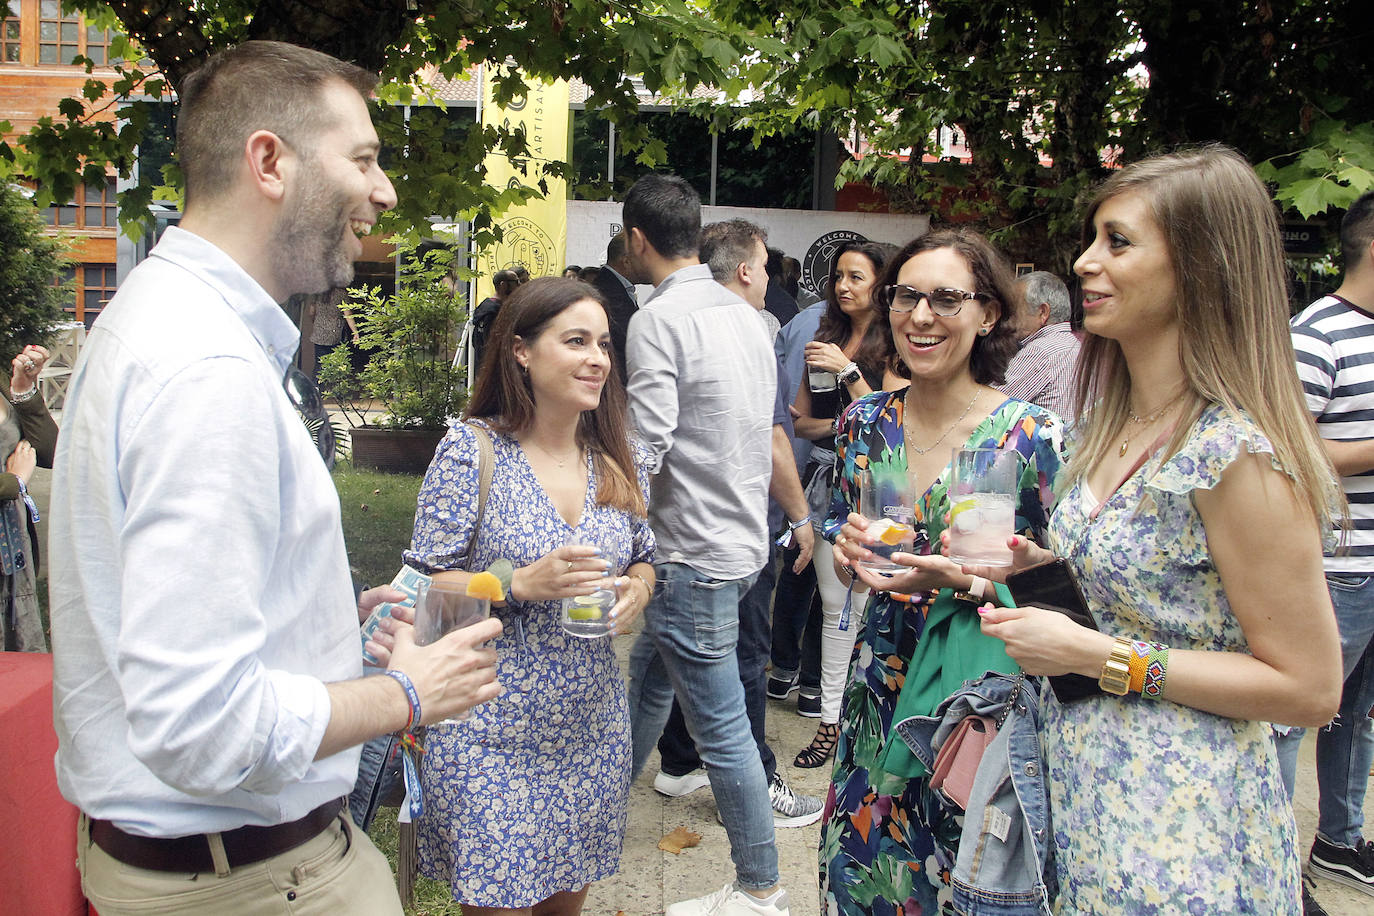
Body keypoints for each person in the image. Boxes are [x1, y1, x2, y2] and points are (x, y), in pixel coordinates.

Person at [48, 41, 502, 915]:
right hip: (254, 883)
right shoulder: (206, 366)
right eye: (363, 158)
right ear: (269, 161)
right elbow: (201, 722)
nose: (385, 191)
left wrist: (322, 620)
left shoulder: (161, 317)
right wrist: (407, 694)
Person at [971, 146, 1343, 914]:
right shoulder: (1114, 421)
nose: (1084, 263)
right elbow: (1155, 595)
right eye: (1092, 240)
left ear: (1199, 267)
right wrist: (1043, 570)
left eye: (1118, 242)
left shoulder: (1232, 452)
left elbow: (1309, 688)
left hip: (1182, 836)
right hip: (1085, 802)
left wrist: (1103, 656)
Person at [824, 228, 1067, 914]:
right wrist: (848, 559)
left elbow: (1068, 591)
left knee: (962, 884)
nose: (921, 316)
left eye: (947, 298)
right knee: (862, 880)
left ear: (988, 313)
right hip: (878, 694)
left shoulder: (1033, 438)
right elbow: (862, 562)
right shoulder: (865, 426)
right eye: (906, 296)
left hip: (976, 707)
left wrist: (962, 581)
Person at [405, 277, 656, 915]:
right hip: (488, 728)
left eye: (603, 344)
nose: (598, 358)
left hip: (589, 729)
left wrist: (638, 590)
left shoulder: (615, 456)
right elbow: (424, 584)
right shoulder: (473, 450)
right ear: (521, 351)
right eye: (576, 341)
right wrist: (516, 583)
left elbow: (646, 556)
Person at [621, 174, 792, 916]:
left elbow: (647, 438)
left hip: (689, 554)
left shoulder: (657, 319)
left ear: (636, 240)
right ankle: (596, 811)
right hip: (735, 544)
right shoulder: (751, 317)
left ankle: (760, 889)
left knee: (723, 732)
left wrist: (609, 518)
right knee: (645, 681)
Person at [650, 218, 822, 829]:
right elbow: (777, 435)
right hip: (732, 538)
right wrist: (800, 516)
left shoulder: (680, 321)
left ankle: (675, 760)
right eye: (767, 266)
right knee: (743, 662)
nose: (770, 277)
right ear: (747, 270)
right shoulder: (749, 329)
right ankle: (755, 792)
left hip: (678, 541)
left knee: (673, 664)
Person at [1282, 187, 1374, 909]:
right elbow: (1284, 448)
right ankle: (1278, 867)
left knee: (1358, 714)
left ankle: (1339, 840)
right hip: (1336, 566)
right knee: (1295, 717)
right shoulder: (1315, 334)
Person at [790, 240, 904, 769]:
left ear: (882, 285)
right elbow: (801, 421)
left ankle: (870, 724)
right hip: (830, 487)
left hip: (884, 495)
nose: (843, 286)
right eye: (839, 276)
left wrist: (848, 374)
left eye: (856, 277)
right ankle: (829, 725)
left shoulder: (899, 344)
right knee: (833, 609)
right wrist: (845, 425)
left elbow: (894, 425)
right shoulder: (827, 337)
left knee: (869, 611)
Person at [1, 343, 57, 652]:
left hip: (13, 555)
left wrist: (22, 391)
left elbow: (50, 453)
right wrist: (13, 483)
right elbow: (17, 476)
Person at [999, 270, 1081, 421]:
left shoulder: (1041, 351)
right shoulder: (1075, 345)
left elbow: (990, 407)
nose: (1008, 317)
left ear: (1043, 312)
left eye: (1014, 308)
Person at [593, 231, 639, 382]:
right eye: (643, 257)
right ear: (626, 261)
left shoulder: (616, 287)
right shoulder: (609, 292)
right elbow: (627, 343)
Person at [472, 268, 519, 371]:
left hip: (483, 370)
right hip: (493, 371)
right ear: (503, 285)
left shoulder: (483, 309)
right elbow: (493, 345)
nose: (519, 286)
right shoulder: (496, 312)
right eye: (515, 282)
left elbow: (475, 342)